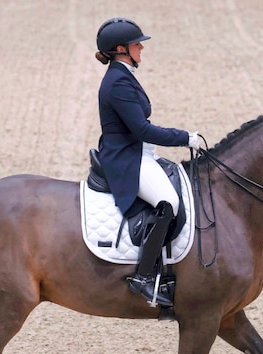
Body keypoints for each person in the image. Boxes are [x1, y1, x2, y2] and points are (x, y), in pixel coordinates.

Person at [95, 17, 200, 307]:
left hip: (139, 152)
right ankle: (142, 277)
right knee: (169, 203)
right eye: (136, 43)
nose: (141, 47)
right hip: (127, 158)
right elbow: (141, 129)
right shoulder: (118, 82)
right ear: (120, 49)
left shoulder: (124, 74)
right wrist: (184, 137)